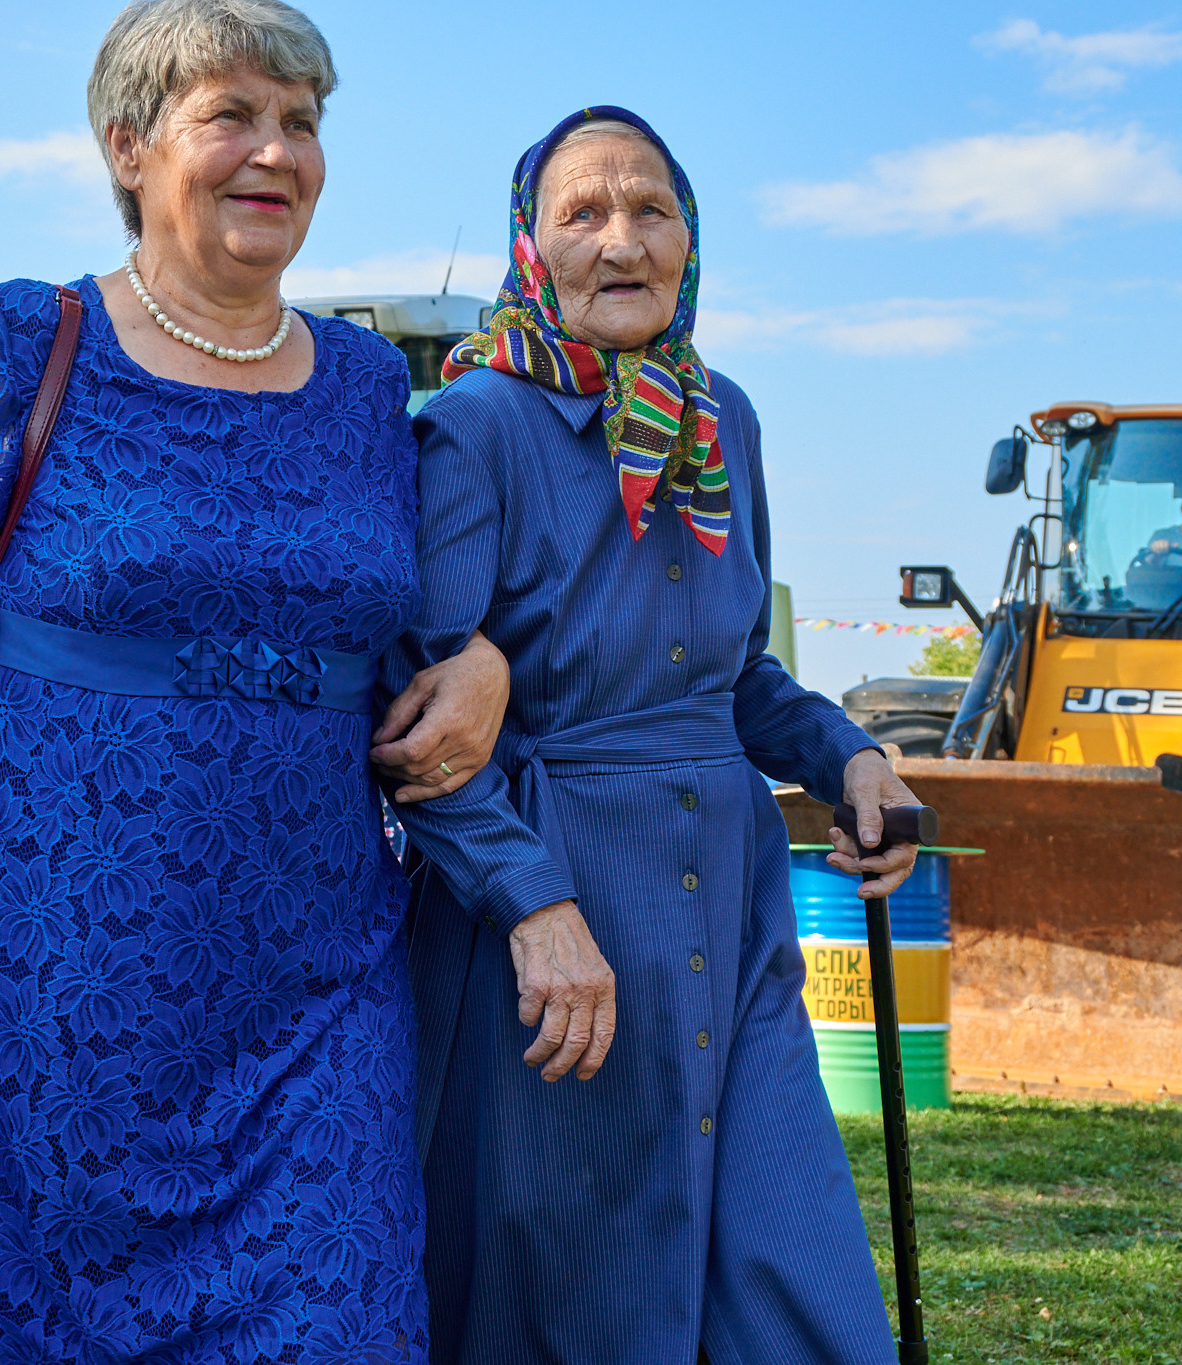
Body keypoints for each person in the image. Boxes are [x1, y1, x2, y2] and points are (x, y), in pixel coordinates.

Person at [0, 1, 507, 1359]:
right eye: (234, 115)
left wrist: (481, 665)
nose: (277, 150)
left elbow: (407, 624)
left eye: (304, 122)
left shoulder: (371, 387)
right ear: (129, 144)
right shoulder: (25, 341)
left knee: (339, 1318)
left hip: (317, 991)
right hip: (40, 990)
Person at [386, 108, 923, 1365]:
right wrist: (533, 903)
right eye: (581, 213)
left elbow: (736, 674)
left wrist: (843, 753)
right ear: (532, 244)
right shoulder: (476, 427)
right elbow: (418, 722)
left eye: (650, 210)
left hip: (730, 901)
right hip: (558, 891)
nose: (620, 240)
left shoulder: (717, 418)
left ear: (690, 240)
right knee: (573, 1277)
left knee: (781, 1249)